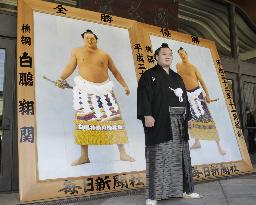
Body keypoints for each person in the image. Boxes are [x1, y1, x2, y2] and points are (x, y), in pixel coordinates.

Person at [57, 29, 135, 166]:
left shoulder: (104, 54)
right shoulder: (77, 51)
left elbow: (115, 71)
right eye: (86, 38)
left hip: (105, 91)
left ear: (96, 39)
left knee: (114, 120)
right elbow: (70, 66)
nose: (89, 40)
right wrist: (61, 78)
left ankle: (122, 153)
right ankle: (84, 156)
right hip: (85, 89)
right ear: (83, 39)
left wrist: (125, 85)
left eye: (92, 37)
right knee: (84, 122)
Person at [137, 43, 201, 205]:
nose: (168, 56)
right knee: (159, 155)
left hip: (179, 122)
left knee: (182, 156)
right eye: (164, 54)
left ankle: (187, 190)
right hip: (160, 122)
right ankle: (153, 195)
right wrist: (147, 114)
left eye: (170, 54)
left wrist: (189, 117)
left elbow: (184, 99)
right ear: (157, 57)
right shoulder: (149, 75)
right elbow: (144, 96)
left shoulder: (177, 77)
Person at [176, 47, 226, 156]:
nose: (182, 56)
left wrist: (207, 95)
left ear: (186, 53)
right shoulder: (178, 65)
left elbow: (202, 81)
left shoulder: (193, 67)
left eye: (183, 53)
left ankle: (219, 146)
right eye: (180, 54)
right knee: (191, 118)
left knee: (206, 118)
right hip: (186, 95)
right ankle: (197, 142)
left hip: (197, 94)